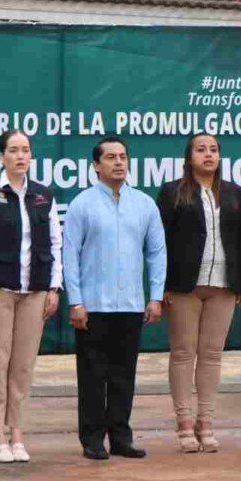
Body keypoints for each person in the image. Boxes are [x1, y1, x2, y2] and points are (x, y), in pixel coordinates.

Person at [63, 136, 167, 461]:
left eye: (123, 156)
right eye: (110, 157)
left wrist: (156, 296)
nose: (119, 162)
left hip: (132, 305)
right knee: (93, 375)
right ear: (96, 165)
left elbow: (157, 252)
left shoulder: (145, 204)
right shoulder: (82, 204)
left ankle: (121, 437)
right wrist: (75, 301)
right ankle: (92, 439)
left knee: (124, 375)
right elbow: (70, 255)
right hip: (93, 307)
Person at [0, 130, 62, 464]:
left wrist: (54, 287)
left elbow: (54, 244)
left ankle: (17, 433)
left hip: (34, 291)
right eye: (13, 150)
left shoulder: (43, 196)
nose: (21, 156)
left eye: (25, 150)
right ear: (2, 156)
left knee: (22, 367)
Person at [156, 133, 241, 452]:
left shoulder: (232, 192)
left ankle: (205, 420)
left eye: (213, 150)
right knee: (184, 353)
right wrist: (162, 286)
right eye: (201, 149)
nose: (208, 155)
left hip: (223, 285)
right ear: (189, 157)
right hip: (184, 286)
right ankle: (183, 421)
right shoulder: (173, 192)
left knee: (211, 354)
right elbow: (160, 242)